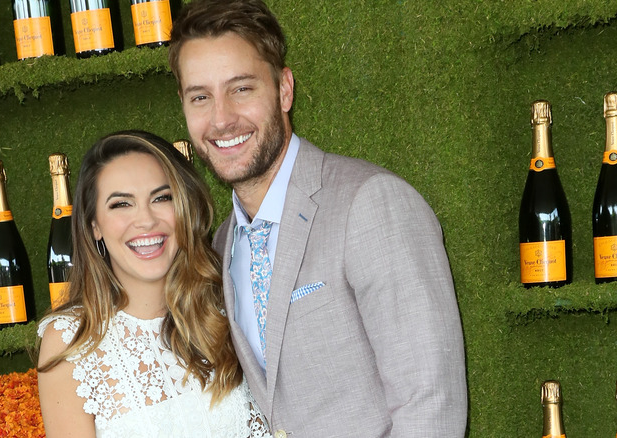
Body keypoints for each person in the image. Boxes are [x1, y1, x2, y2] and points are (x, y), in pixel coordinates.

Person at [168, 1, 468, 437]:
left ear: (284, 90)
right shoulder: (221, 244)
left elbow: (430, 404)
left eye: (242, 89)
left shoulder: (370, 204)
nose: (221, 118)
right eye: (201, 97)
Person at [36, 130, 272, 438]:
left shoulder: (225, 304)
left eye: (161, 198)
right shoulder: (70, 339)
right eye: (122, 204)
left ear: (184, 209)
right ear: (94, 225)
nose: (146, 220)